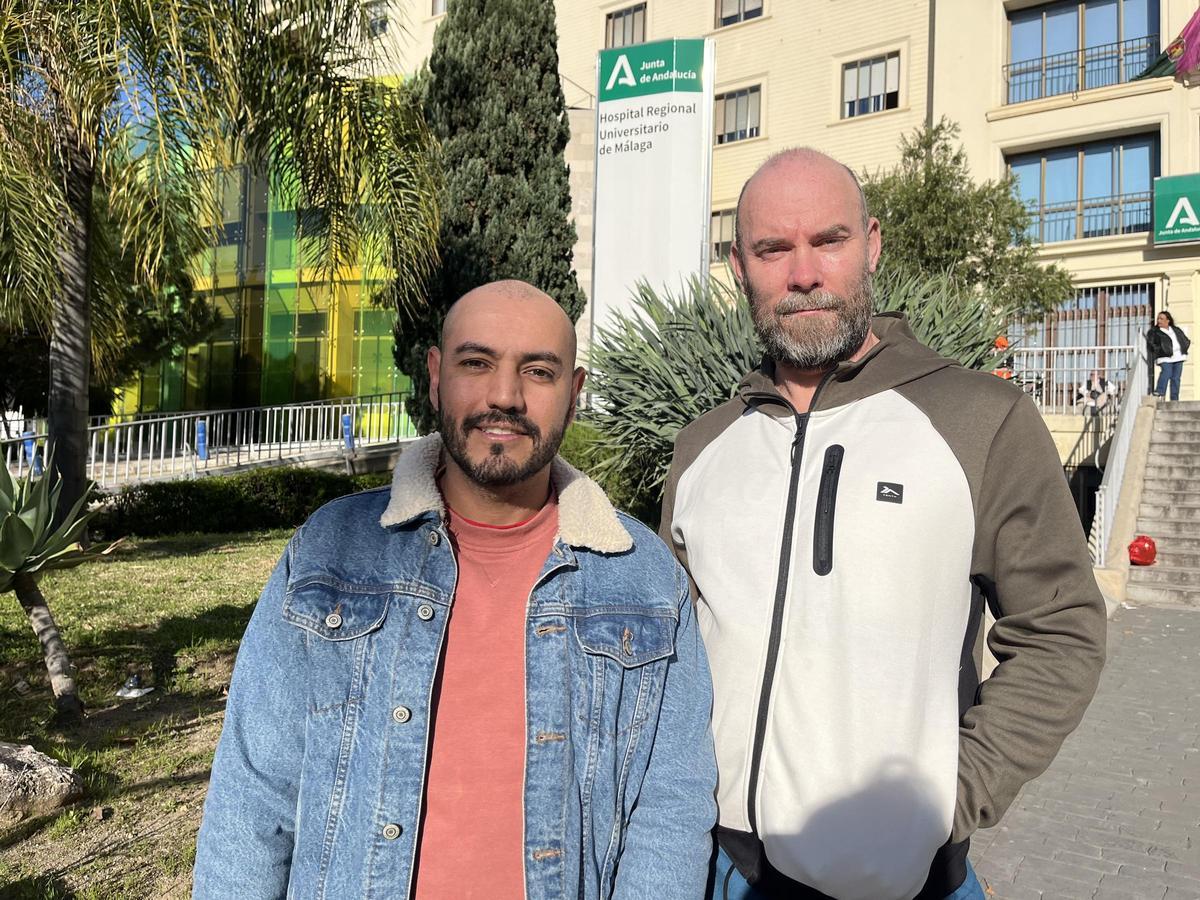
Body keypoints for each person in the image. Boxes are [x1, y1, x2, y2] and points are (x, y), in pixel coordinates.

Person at [659, 149, 1107, 900]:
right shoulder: (703, 445)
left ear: (870, 244)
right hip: (711, 871)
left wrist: (946, 798)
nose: (803, 274)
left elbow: (1061, 631)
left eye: (827, 241)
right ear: (739, 266)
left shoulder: (979, 421)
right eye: (774, 249)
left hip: (905, 880)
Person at [193, 280, 717, 900]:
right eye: (477, 363)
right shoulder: (332, 552)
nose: (504, 396)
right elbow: (254, 795)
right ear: (436, 376)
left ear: (574, 396)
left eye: (539, 372)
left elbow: (671, 812)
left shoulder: (643, 578)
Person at [1148, 310, 1190, 401]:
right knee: (1166, 373)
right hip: (1164, 357)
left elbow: (1185, 340)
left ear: (1168, 320)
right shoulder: (1154, 331)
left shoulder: (1176, 330)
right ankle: (1159, 392)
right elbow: (1151, 343)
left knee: (1176, 378)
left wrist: (1185, 347)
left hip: (1179, 356)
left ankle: (1174, 399)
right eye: (1158, 318)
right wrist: (1160, 350)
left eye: (1161, 319)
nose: (1159, 320)